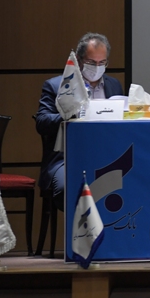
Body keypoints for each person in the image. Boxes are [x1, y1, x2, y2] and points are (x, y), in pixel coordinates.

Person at [35, 32, 123, 211]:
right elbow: (42, 122)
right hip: (66, 158)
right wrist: (69, 115)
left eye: (102, 63)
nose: (97, 67)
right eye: (91, 62)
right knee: (69, 188)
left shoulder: (114, 85)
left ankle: (111, 229)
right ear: (79, 60)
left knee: (131, 183)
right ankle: (79, 229)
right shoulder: (56, 86)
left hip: (106, 157)